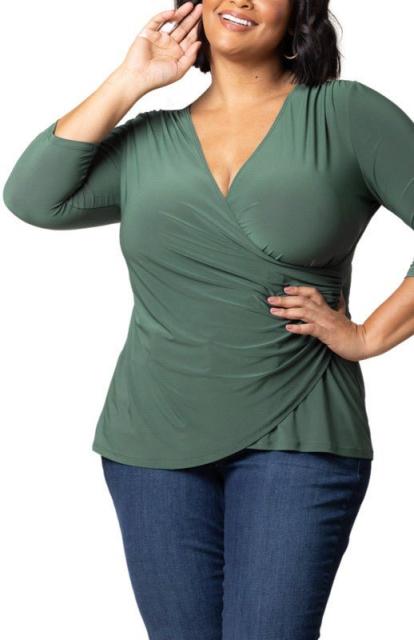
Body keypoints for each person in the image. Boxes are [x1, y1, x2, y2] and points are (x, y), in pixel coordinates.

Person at [3, 1, 414, 637]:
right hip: (150, 442)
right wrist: (130, 80)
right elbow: (33, 198)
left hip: (299, 432)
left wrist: (367, 336)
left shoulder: (345, 114)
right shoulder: (148, 140)